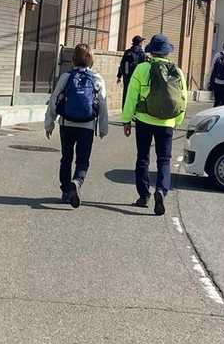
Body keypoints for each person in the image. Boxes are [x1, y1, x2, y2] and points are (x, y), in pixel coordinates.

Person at [121, 32, 189, 215]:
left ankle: (144, 196)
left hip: (144, 120)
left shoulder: (142, 68)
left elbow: (131, 96)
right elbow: (183, 99)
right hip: (167, 122)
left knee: (143, 158)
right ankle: (161, 190)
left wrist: (126, 120)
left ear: (151, 51)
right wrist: (177, 120)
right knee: (164, 160)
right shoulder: (177, 72)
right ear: (167, 52)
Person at [45, 43, 109, 208]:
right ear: (91, 60)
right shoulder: (97, 78)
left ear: (73, 59)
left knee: (66, 158)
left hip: (66, 124)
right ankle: (77, 181)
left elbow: (54, 99)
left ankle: (66, 191)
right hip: (87, 126)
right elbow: (102, 104)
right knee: (83, 160)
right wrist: (103, 128)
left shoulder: (66, 77)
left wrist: (49, 123)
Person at [117, 36, 147, 101]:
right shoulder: (142, 54)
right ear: (140, 43)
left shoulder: (127, 52)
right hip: (137, 79)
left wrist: (119, 76)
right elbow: (144, 68)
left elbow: (122, 64)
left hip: (127, 78)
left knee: (126, 94)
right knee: (136, 96)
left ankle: (125, 107)